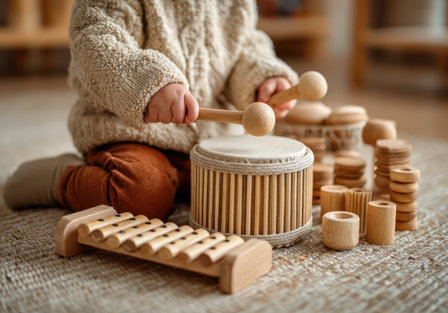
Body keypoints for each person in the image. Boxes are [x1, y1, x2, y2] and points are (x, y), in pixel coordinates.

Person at [3, 0, 298, 219]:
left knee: (247, 195)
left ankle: (177, 181)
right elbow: (95, 40)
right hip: (131, 132)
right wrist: (149, 83)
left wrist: (263, 79)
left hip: (206, 139)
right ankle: (61, 178)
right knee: (141, 196)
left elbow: (245, 47)